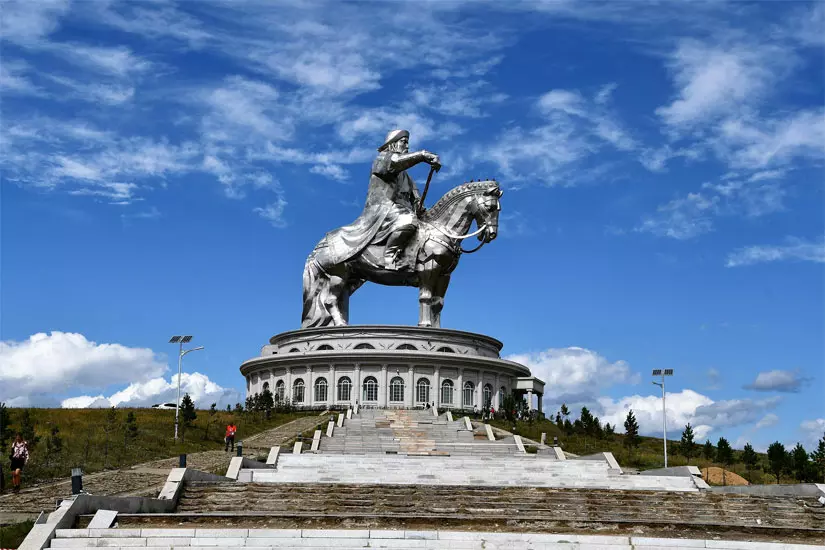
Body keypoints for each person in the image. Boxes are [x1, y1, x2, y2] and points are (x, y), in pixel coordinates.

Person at [315, 129, 441, 271]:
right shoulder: (382, 159)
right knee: (408, 220)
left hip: (401, 211)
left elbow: (416, 200)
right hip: (383, 209)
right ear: (393, 144)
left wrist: (421, 208)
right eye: (404, 142)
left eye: (407, 143)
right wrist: (422, 155)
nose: (407, 146)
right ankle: (389, 256)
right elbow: (396, 162)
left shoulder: (407, 178)